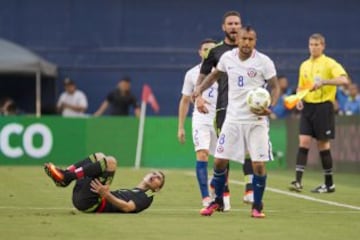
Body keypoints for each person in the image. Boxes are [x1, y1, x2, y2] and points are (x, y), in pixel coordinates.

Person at [194, 26, 280, 218]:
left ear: (255, 41)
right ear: (238, 40)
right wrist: (199, 89)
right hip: (232, 119)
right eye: (244, 39)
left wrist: (271, 107)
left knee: (258, 164)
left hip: (256, 120)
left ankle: (257, 205)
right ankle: (217, 202)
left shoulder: (264, 62)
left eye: (251, 39)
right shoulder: (227, 58)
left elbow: (275, 87)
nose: (247, 43)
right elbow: (214, 75)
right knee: (219, 161)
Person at [195, 10, 254, 205]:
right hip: (223, 108)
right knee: (224, 152)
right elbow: (203, 75)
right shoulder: (216, 52)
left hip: (247, 108)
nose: (234, 27)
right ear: (224, 27)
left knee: (249, 149)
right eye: (230, 24)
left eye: (237, 23)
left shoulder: (250, 51)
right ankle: (223, 196)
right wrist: (199, 96)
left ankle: (250, 189)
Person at [289, 33, 349, 193]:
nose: (314, 47)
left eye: (317, 44)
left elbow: (344, 80)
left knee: (323, 145)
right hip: (308, 107)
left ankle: (329, 184)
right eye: (311, 44)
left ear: (323, 46)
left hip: (324, 107)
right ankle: (298, 181)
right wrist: (299, 98)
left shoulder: (329, 63)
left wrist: (324, 82)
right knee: (303, 142)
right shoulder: (304, 65)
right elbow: (300, 86)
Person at [44, 152, 165, 213]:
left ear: (157, 189)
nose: (154, 176)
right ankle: (64, 178)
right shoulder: (133, 190)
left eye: (158, 178)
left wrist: (106, 195)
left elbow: (128, 207)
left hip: (91, 204)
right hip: (84, 195)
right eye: (154, 173)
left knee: (111, 162)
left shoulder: (146, 197)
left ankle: (66, 177)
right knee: (99, 156)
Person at [177, 39, 218, 208]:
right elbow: (185, 100)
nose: (208, 52)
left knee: (221, 160)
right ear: (200, 52)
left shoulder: (224, 70)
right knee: (202, 154)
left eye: (212, 49)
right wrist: (180, 127)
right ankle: (206, 198)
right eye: (205, 49)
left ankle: (217, 189)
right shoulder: (192, 74)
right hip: (201, 119)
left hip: (221, 118)